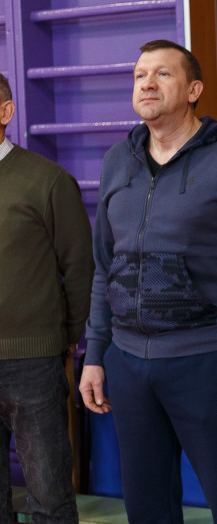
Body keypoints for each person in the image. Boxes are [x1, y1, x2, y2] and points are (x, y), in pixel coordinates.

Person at [78, 40, 217, 523]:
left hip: (208, 361)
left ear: (193, 90)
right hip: (128, 364)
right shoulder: (117, 161)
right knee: (147, 508)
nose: (147, 83)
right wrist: (95, 355)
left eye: (162, 74)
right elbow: (104, 266)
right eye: (139, 75)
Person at [0, 72, 93, 523]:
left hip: (32, 362)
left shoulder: (48, 180)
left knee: (49, 497)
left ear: (5, 112)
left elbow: (79, 267)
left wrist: (65, 335)